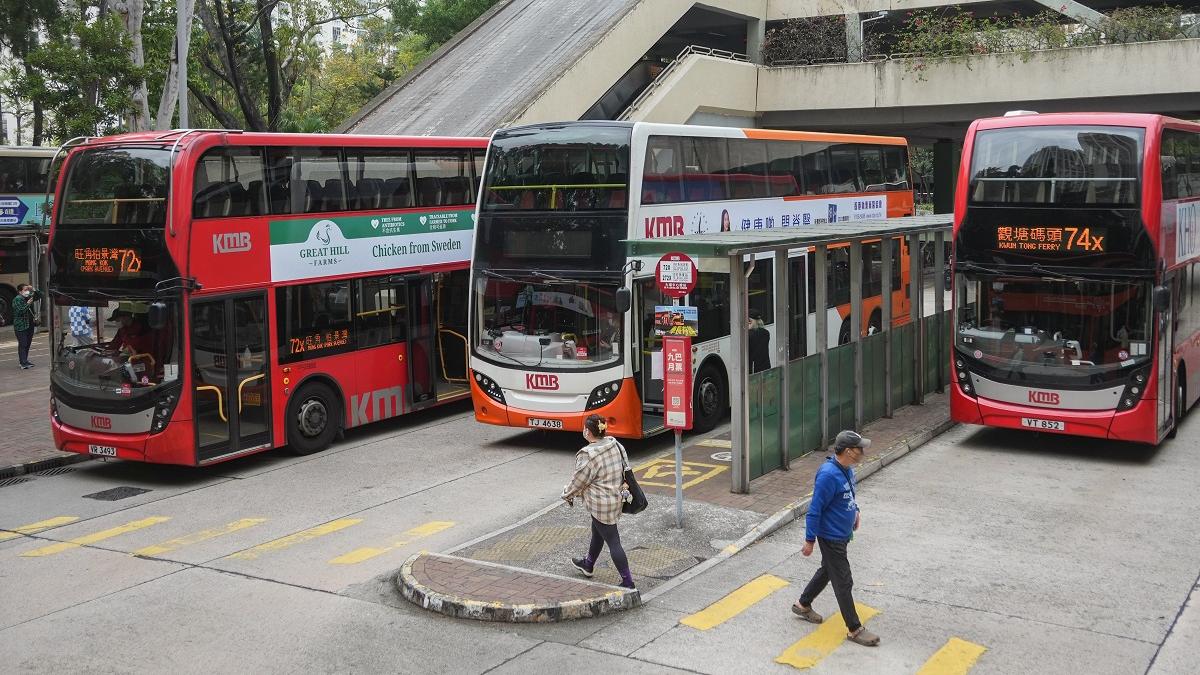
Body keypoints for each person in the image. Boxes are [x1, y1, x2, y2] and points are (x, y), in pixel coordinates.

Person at [791, 430, 880, 647]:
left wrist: (855, 511)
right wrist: (809, 540)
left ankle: (803, 604)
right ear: (848, 451)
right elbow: (815, 509)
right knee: (843, 581)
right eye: (859, 448)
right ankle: (854, 628)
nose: (863, 452)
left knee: (827, 570)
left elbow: (849, 496)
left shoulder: (847, 470)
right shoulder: (828, 475)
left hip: (842, 533)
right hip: (830, 536)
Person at [563, 413, 636, 590]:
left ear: (588, 432)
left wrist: (567, 494)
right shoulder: (615, 444)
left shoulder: (588, 455)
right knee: (597, 532)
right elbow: (625, 467)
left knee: (613, 541)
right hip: (617, 498)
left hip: (600, 504)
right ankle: (588, 564)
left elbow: (578, 481)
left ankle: (628, 582)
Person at [12, 283, 42, 369]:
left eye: (27, 289)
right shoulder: (17, 299)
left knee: (27, 343)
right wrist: (28, 304)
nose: (27, 291)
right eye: (25, 290)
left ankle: (25, 360)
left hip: (29, 324)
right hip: (21, 325)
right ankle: (23, 363)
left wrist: (33, 289)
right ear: (20, 291)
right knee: (23, 344)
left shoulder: (28, 297)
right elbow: (20, 311)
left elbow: (40, 295)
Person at [747, 308, 771, 373]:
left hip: (753, 370)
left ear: (750, 321)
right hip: (766, 367)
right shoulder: (766, 333)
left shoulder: (748, 335)